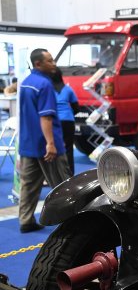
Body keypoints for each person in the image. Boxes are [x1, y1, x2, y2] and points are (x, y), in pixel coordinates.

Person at [18, 48, 71, 233]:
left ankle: (25, 220)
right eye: (50, 61)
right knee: (64, 184)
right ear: (39, 64)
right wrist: (50, 143)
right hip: (46, 145)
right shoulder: (44, 84)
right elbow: (46, 117)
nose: (54, 64)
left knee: (29, 185)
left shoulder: (25, 83)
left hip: (28, 144)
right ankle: (72, 222)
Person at [51, 67, 80, 175]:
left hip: (54, 121)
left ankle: (55, 174)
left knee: (53, 148)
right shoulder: (68, 89)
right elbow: (76, 108)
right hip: (68, 120)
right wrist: (70, 114)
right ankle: (70, 174)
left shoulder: (48, 90)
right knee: (68, 148)